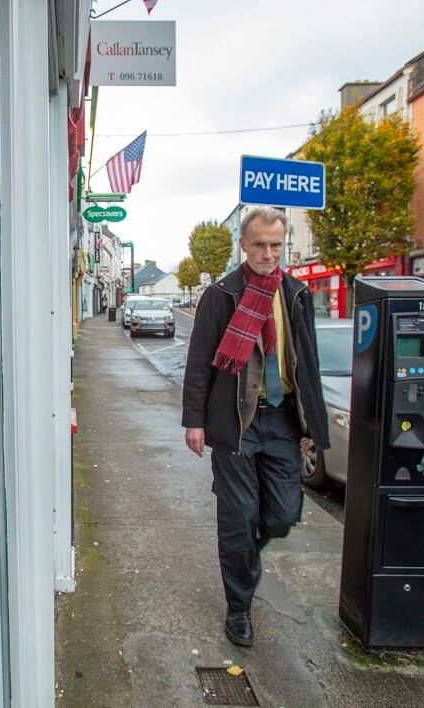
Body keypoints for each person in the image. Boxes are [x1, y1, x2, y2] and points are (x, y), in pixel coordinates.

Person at [182, 206, 329, 648]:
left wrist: (313, 424)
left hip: (281, 419)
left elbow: (309, 363)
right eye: (260, 244)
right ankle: (239, 608)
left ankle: (245, 559)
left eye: (276, 245)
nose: (269, 253)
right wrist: (195, 421)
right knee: (237, 519)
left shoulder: (297, 294)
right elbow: (199, 363)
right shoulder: (222, 295)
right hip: (237, 421)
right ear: (243, 245)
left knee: (283, 515)